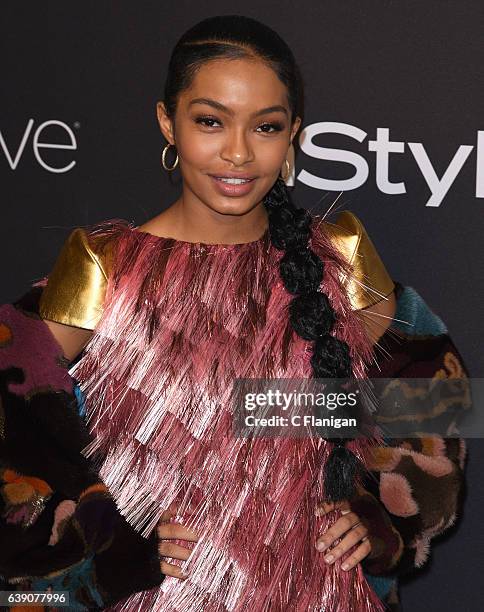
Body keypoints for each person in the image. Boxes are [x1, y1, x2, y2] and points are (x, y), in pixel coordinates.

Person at [0, 15, 468, 612]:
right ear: (168, 122)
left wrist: (375, 517)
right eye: (210, 121)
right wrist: (105, 540)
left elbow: (436, 398)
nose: (239, 152)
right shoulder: (104, 268)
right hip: (165, 595)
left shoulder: (338, 260)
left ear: (293, 133)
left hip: (318, 592)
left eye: (266, 126)